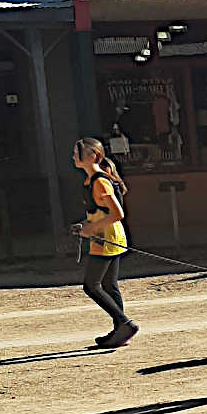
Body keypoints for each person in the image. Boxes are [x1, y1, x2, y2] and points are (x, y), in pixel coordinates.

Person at [71, 137, 138, 348]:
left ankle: (124, 323)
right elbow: (100, 213)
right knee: (109, 284)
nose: (73, 156)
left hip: (106, 238)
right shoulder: (92, 181)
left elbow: (117, 213)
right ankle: (121, 330)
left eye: (77, 152)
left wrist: (91, 229)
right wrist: (84, 225)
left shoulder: (99, 182)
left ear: (92, 156)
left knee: (91, 286)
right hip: (108, 237)